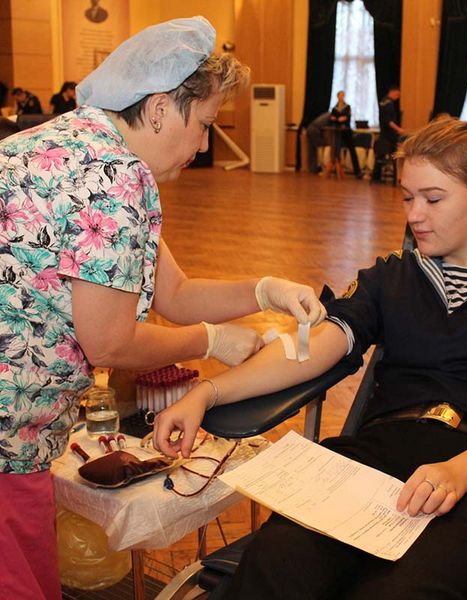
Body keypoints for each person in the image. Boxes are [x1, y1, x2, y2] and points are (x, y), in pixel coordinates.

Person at [154, 116, 467, 600]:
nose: (415, 215)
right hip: (378, 462)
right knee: (277, 562)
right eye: (408, 198)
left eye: (433, 199)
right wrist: (208, 392)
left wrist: (461, 471)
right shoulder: (393, 277)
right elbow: (311, 348)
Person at [0, 16, 325, 600]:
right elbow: (109, 342)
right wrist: (210, 341)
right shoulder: (115, 178)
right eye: (203, 125)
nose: (203, 146)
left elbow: (173, 294)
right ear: (157, 109)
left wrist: (264, 290)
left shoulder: (73, 142)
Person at [327, 90, 362, 178]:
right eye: (340, 95)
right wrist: (336, 119)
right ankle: (335, 170)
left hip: (346, 131)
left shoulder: (347, 107)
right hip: (337, 132)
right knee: (335, 151)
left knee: (352, 150)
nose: (341, 97)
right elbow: (332, 118)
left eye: (343, 95)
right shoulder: (334, 108)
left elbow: (347, 117)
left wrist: (342, 119)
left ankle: (357, 172)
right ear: (337, 96)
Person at [371, 85, 403, 182]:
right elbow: (389, 121)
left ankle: (376, 177)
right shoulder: (389, 104)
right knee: (394, 155)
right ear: (392, 92)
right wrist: (399, 129)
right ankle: (396, 178)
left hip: (383, 133)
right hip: (390, 135)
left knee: (380, 155)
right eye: (397, 95)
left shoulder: (382, 101)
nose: (397, 97)